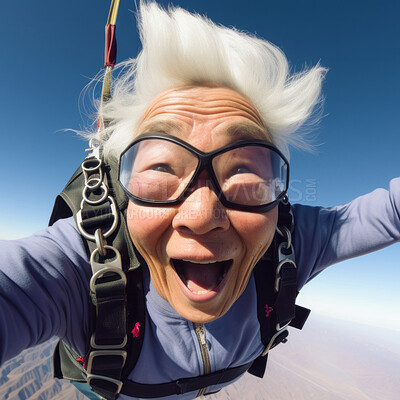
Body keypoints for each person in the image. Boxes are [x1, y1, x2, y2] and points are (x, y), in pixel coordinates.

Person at [0, 1, 399, 400]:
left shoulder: (285, 240)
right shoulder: (82, 265)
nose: (202, 214)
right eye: (161, 169)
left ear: (274, 192)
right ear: (123, 191)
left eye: (243, 171)